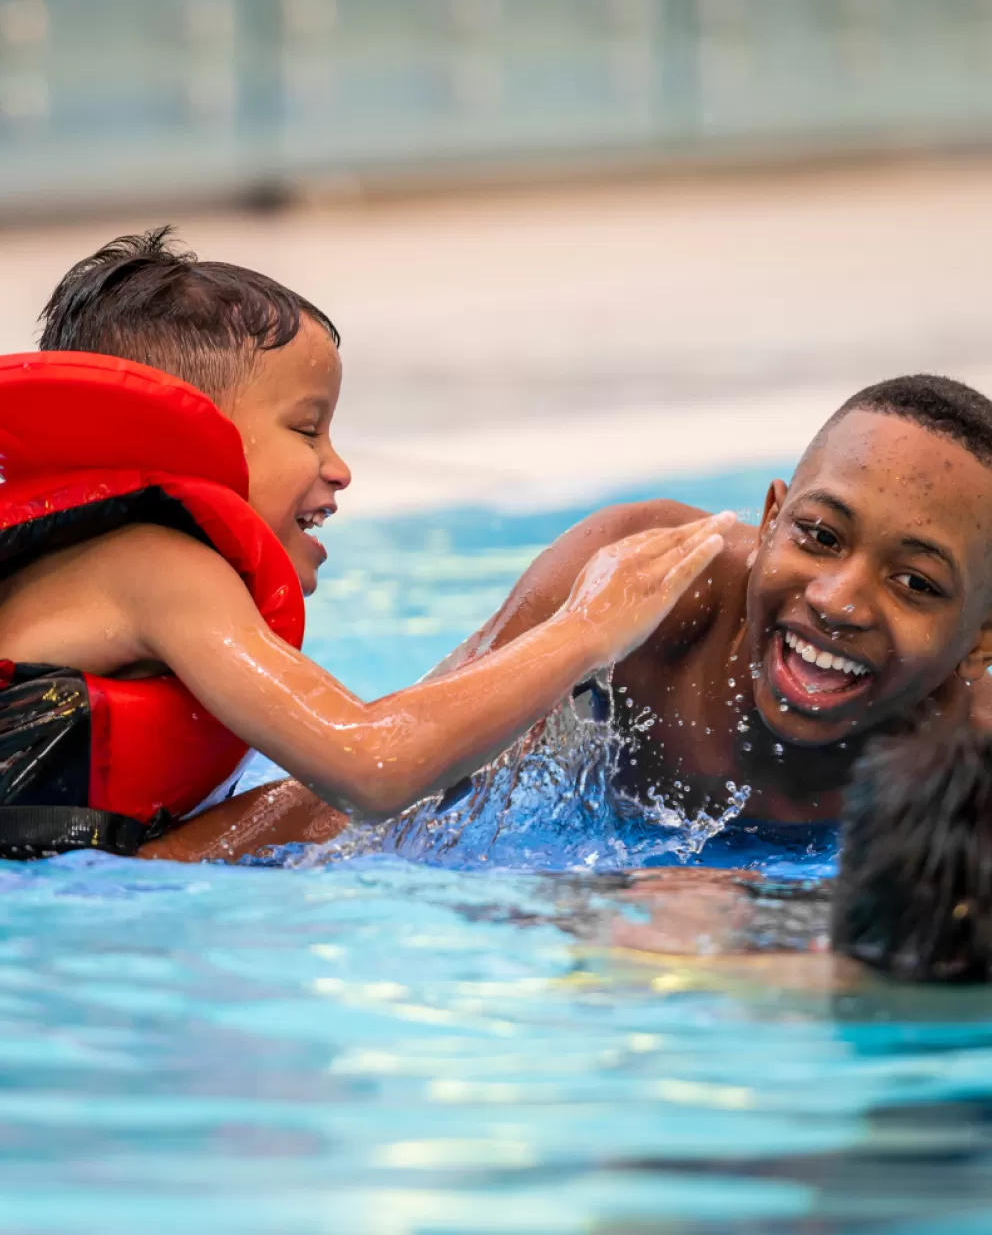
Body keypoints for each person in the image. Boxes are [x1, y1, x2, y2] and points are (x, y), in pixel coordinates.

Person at [0, 228, 732, 859]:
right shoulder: (156, 567)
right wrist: (587, 631)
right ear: (185, 435)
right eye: (306, 429)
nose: (339, 469)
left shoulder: (92, 573)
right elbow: (373, 762)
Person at [155, 372, 992, 864]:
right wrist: (145, 877)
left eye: (916, 583)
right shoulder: (650, 595)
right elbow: (386, 787)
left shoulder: (971, 740)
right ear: (772, 516)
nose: (839, 601)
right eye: (818, 535)